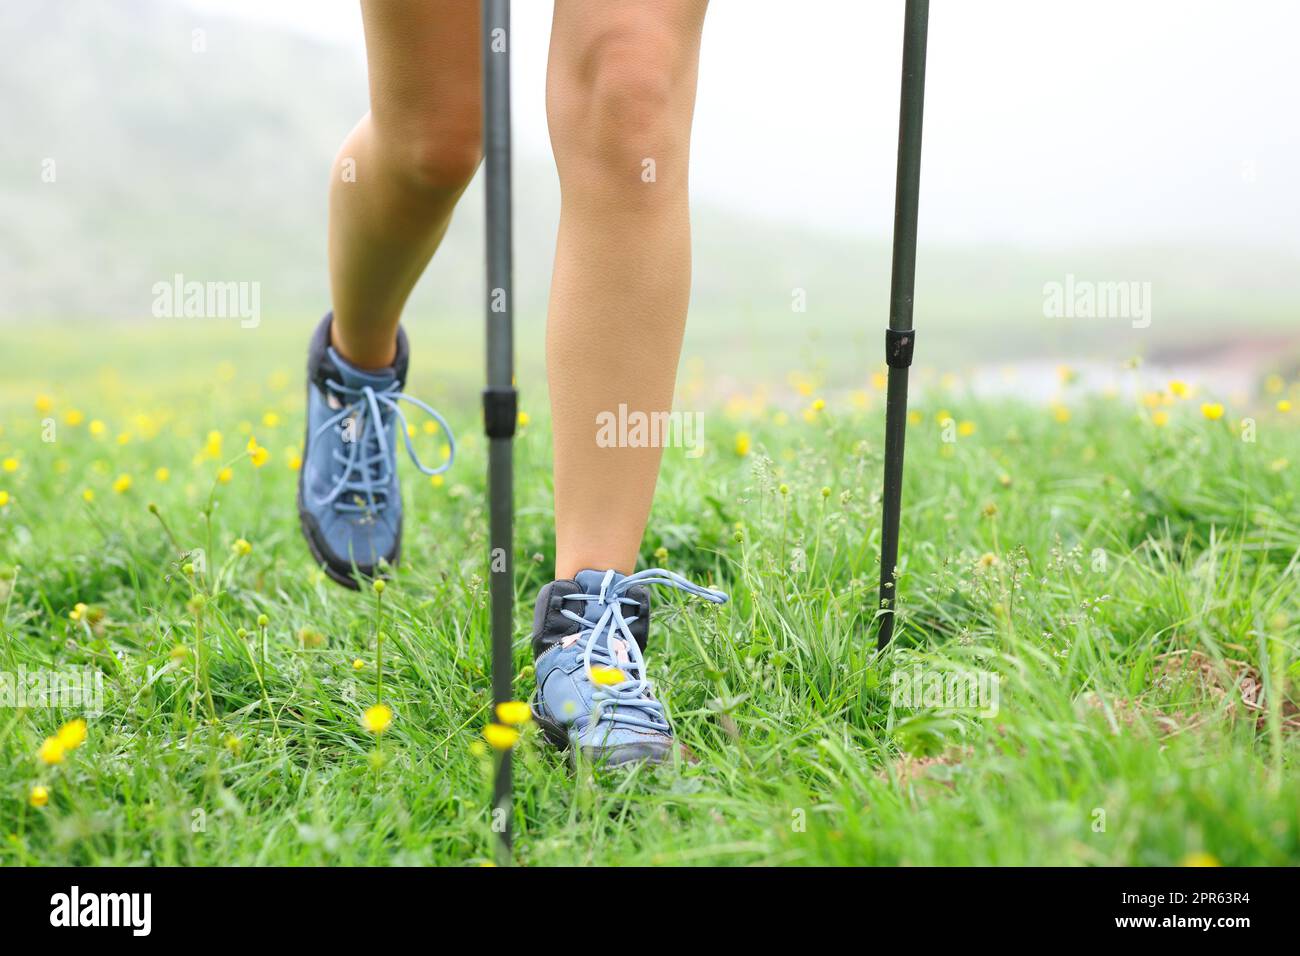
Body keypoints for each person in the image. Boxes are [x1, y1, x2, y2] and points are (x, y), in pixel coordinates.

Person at [297, 0, 726, 766]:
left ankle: (589, 626)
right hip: (433, 148)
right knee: (436, 140)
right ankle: (355, 365)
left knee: (631, 95)